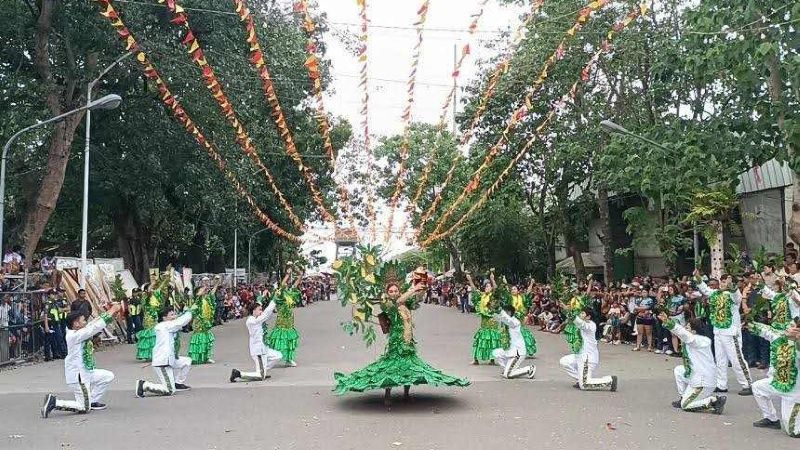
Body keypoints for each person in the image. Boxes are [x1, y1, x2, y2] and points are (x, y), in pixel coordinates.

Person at [333, 279, 469, 408]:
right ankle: (387, 395)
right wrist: (414, 288)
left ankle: (406, 394)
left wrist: (422, 288)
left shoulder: (406, 303)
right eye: (390, 291)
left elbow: (418, 298)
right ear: (387, 293)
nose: (393, 293)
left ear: (399, 291)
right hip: (397, 341)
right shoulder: (389, 305)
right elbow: (399, 301)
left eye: (395, 291)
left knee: (409, 367)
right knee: (392, 367)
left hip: (408, 340)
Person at [40, 303, 122, 418]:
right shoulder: (74, 335)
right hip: (79, 376)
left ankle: (91, 400)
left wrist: (111, 312)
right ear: (76, 323)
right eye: (83, 320)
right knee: (84, 407)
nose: (86, 322)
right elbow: (95, 327)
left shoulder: (79, 331)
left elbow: (95, 323)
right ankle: (54, 403)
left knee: (107, 376)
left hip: (87, 372)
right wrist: (113, 309)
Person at [694, 269, 753, 396]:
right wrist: (698, 277)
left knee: (736, 359)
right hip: (718, 331)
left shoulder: (733, 294)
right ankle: (721, 385)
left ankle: (747, 384)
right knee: (720, 360)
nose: (722, 283)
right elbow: (705, 289)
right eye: (722, 281)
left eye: (725, 282)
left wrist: (732, 286)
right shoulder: (715, 293)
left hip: (731, 333)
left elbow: (736, 296)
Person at [657, 313, 727, 414]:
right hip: (696, 376)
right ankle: (683, 397)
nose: (685, 329)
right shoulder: (695, 340)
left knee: (685, 405)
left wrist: (669, 322)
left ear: (694, 331)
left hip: (703, 382)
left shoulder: (699, 340)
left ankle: (713, 401)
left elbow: (683, 333)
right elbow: (683, 334)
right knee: (679, 370)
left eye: (687, 328)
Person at [558, 281, 618, 392]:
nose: (580, 315)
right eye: (580, 313)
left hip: (587, 359)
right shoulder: (582, 324)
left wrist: (567, 310)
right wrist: (564, 308)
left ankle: (609, 380)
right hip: (579, 355)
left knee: (584, 385)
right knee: (564, 361)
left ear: (588, 317)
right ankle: (580, 378)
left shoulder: (590, 326)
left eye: (583, 314)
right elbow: (572, 321)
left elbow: (578, 322)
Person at [748, 320, 800, 437]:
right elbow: (766, 331)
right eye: (790, 325)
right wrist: (749, 323)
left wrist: (798, 340)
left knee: (793, 431)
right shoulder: (778, 337)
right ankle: (771, 419)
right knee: (757, 388)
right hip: (777, 382)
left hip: (794, 391)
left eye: (794, 327)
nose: (790, 328)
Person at [135, 306, 194, 397]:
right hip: (162, 362)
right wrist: (190, 311)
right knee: (170, 390)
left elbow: (179, 323)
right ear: (164, 317)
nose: (174, 316)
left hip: (170, 359)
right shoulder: (163, 326)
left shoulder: (168, 326)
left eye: (174, 314)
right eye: (171, 315)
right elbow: (181, 322)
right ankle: (144, 385)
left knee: (187, 361)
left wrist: (186, 312)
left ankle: (178, 383)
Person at [230, 299, 281, 382]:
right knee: (260, 377)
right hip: (258, 351)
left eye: (261, 310)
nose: (261, 312)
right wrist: (273, 302)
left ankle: (263, 370)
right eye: (259, 310)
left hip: (264, 348)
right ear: (254, 310)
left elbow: (265, 314)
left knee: (278, 356)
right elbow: (266, 314)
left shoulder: (257, 319)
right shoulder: (252, 321)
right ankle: (238, 374)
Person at [267, 265, 303, 367]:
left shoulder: (290, 293)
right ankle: (271, 357)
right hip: (282, 321)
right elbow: (282, 286)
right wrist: (287, 274)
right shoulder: (280, 294)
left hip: (289, 320)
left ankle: (289, 359)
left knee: (290, 340)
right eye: (285, 283)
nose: (287, 284)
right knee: (278, 340)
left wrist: (298, 272)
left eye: (287, 283)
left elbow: (298, 280)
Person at [492, 304, 536, 379]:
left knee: (508, 375)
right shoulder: (506, 323)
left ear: (509, 312)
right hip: (509, 350)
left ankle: (529, 369)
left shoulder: (514, 322)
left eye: (505, 312)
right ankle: (507, 369)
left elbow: (506, 319)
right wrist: (493, 309)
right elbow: (498, 317)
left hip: (517, 352)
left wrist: (500, 310)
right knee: (496, 353)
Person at [466, 271, 501, 365]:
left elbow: (496, 289)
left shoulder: (493, 296)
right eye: (485, 286)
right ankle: (476, 359)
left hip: (492, 322)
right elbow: (474, 290)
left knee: (492, 340)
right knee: (480, 339)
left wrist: (492, 279)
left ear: (491, 288)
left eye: (488, 286)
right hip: (484, 322)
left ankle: (492, 359)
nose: (486, 288)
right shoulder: (482, 296)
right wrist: (470, 280)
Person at [189, 282, 217, 364]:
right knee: (199, 338)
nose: (204, 290)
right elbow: (198, 295)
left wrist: (216, 283)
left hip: (206, 322)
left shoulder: (207, 299)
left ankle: (206, 357)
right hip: (199, 322)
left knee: (206, 339)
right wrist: (203, 288)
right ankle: (195, 357)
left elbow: (212, 293)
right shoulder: (197, 300)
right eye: (202, 289)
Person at [509, 280, 537, 357]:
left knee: (523, 333)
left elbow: (528, 292)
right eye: (512, 289)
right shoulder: (509, 298)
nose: (513, 290)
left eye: (515, 289)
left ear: (518, 291)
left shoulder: (522, 297)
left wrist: (531, 283)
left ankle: (527, 350)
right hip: (512, 319)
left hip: (521, 318)